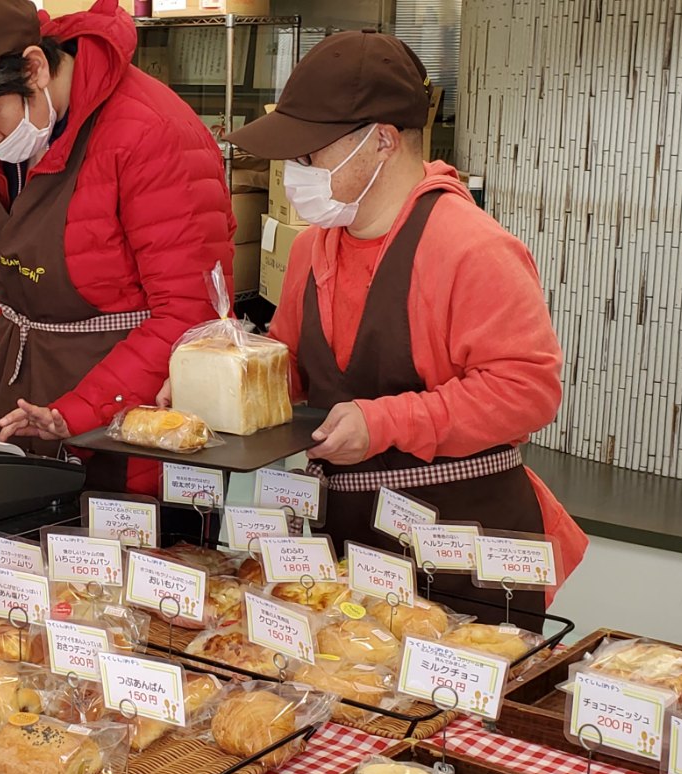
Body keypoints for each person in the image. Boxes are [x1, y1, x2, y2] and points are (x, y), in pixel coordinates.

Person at [227, 31, 588, 628]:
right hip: (344, 534)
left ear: (382, 142)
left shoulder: (472, 248)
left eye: (308, 154)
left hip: (460, 544)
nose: (293, 174)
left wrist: (386, 421)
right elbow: (294, 371)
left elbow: (528, 390)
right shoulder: (313, 247)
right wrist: (227, 377)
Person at [0, 0, 231, 495]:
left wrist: (77, 411)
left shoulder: (151, 133)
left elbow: (192, 316)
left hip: (127, 423)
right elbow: (0, 284)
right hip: (19, 407)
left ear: (35, 67)